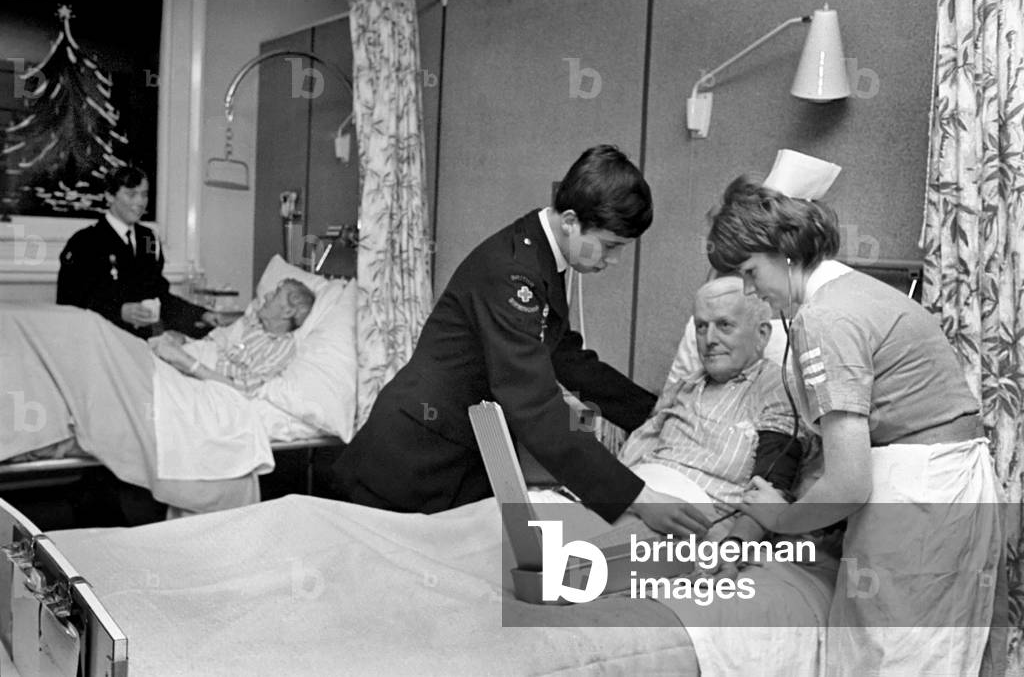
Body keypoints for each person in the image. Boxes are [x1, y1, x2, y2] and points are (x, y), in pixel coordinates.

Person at [320, 144, 712, 536]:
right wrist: (635, 496)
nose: (613, 261)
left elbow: (566, 358)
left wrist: (655, 413)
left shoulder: (539, 257)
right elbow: (536, 406)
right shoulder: (513, 273)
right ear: (571, 221)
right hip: (412, 457)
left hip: (456, 454)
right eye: (610, 246)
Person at [706, 173, 1002, 676]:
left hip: (918, 496)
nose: (752, 290)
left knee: (891, 660)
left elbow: (848, 482)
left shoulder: (825, 319)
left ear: (786, 252)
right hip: (950, 486)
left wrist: (778, 518)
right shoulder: (861, 292)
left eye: (752, 272)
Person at [616, 276, 803, 572]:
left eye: (724, 325)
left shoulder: (777, 389)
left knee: (575, 558)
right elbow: (636, 449)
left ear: (762, 334)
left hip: (688, 520)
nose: (709, 339)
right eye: (701, 326)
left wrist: (733, 548)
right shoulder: (684, 386)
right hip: (632, 495)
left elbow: (772, 487)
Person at [57, 166, 224, 339]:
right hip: (100, 344)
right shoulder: (85, 242)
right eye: (131, 194)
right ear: (109, 196)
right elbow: (71, 302)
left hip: (141, 343)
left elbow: (160, 296)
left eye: (144, 194)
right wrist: (119, 311)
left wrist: (200, 314)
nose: (140, 202)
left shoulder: (148, 239)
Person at [150, 278, 314, 393]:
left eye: (276, 293)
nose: (266, 295)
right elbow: (213, 342)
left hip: (199, 377)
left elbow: (245, 388)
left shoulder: (281, 347)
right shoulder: (252, 323)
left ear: (288, 311)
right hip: (185, 359)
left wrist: (188, 363)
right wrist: (183, 341)